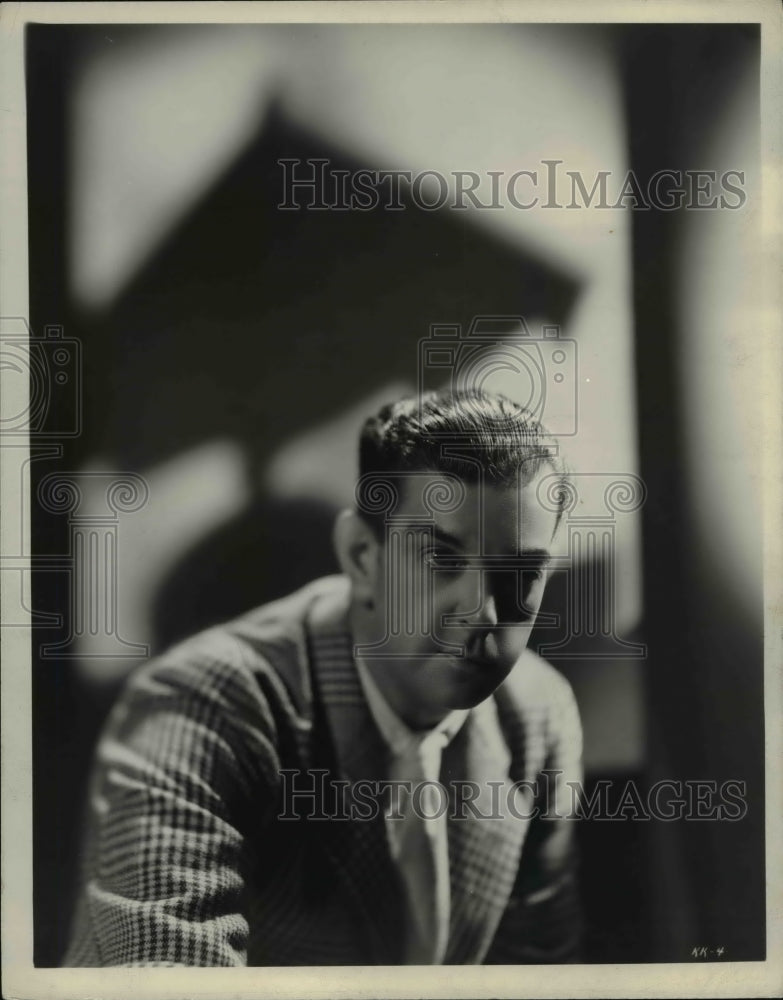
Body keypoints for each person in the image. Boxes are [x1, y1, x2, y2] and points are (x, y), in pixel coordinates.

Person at [64, 389, 583, 967]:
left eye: (522, 573)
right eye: (441, 559)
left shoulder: (536, 712)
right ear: (363, 556)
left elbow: (535, 970)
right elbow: (166, 981)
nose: (483, 614)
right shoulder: (201, 703)